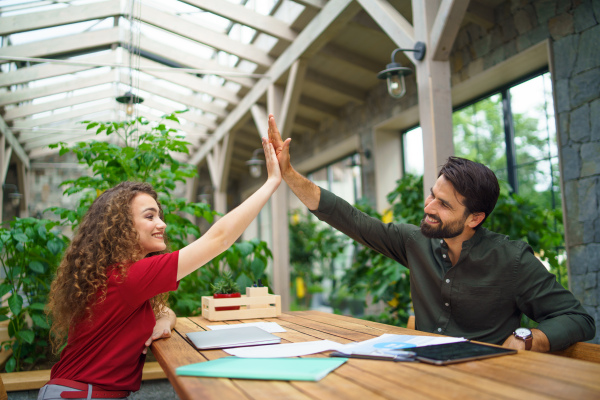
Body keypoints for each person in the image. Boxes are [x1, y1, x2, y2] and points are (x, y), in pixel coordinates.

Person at [267, 114, 595, 352]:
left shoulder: (511, 260)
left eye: (444, 204)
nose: (429, 207)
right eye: (432, 195)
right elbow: (352, 220)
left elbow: (577, 318)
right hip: (423, 375)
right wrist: (290, 175)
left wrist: (527, 337)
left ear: (475, 218)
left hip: (488, 383)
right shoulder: (415, 242)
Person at [39, 136, 281, 399]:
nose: (162, 224)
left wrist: (165, 319)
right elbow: (219, 239)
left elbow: (163, 309)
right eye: (149, 216)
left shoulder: (115, 275)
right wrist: (271, 183)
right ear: (123, 226)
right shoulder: (129, 277)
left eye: (159, 215)